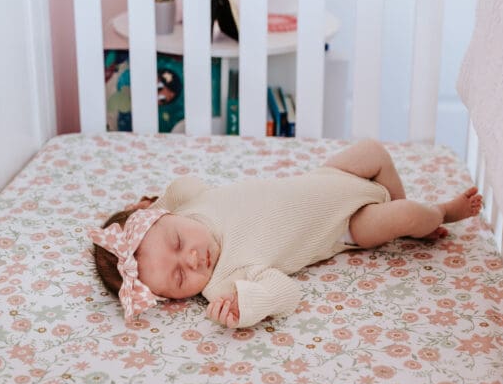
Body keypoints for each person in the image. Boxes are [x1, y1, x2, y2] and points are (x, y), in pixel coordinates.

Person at [89, 139, 482, 329]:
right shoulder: (224, 284)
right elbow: (287, 293)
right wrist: (247, 308)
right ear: (167, 297)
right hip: (347, 225)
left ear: (165, 217)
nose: (191, 260)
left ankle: (407, 214)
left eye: (177, 243)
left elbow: (180, 185)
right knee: (406, 215)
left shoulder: (190, 203)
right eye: (178, 278)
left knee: (373, 152)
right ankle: (442, 213)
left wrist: (152, 203)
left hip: (327, 178)